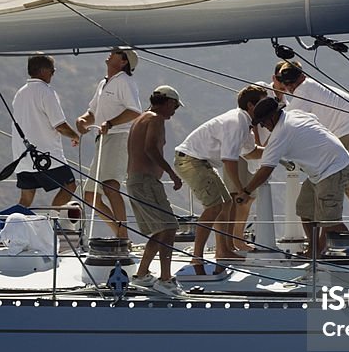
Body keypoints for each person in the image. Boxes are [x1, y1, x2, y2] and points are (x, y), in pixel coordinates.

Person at [273, 62, 349, 239]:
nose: (291, 87)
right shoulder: (310, 86)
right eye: (287, 84)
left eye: (292, 82)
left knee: (329, 188)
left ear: (301, 76)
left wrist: (278, 95)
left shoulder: (304, 90)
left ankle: (325, 247)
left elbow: (284, 122)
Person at [174, 84, 267, 272]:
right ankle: (197, 257)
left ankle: (224, 250)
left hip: (200, 161)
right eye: (263, 103)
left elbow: (251, 153)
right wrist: (242, 189)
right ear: (251, 105)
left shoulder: (245, 123)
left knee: (227, 204)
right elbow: (229, 160)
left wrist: (278, 150)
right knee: (215, 206)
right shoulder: (237, 122)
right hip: (192, 160)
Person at [243, 97, 349, 257]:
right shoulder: (295, 114)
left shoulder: (280, 134)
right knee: (304, 208)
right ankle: (314, 252)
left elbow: (266, 169)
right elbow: (314, 123)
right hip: (321, 170)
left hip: (333, 169)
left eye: (263, 122)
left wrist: (246, 192)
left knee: (330, 221)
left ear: (272, 117)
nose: (263, 126)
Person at [76, 47, 141, 240]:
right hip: (103, 139)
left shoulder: (126, 81)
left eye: (115, 52)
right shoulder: (104, 83)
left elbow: (134, 111)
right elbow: (92, 112)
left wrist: (111, 123)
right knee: (90, 195)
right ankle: (121, 236)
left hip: (119, 137)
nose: (110, 53)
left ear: (123, 62)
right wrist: (82, 121)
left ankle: (122, 238)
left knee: (111, 186)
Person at [127, 85, 185, 296]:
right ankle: (166, 280)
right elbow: (150, 148)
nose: (175, 111)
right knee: (169, 227)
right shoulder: (155, 119)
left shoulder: (140, 119)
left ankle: (142, 275)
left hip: (136, 181)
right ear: (168, 101)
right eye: (175, 106)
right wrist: (171, 173)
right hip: (145, 181)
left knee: (162, 229)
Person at [11, 54, 81, 208]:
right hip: (45, 158)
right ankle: (52, 220)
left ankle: (11, 228)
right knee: (70, 186)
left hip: (23, 158)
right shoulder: (46, 92)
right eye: (52, 70)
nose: (53, 73)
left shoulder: (20, 93)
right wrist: (75, 135)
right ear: (43, 70)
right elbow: (60, 125)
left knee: (25, 200)